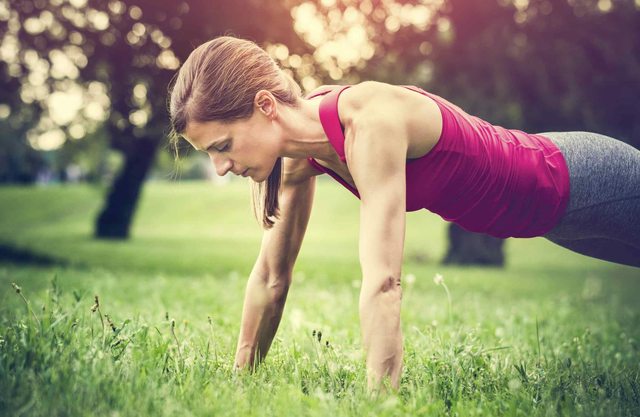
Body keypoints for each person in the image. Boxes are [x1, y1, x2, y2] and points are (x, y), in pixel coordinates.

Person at [167, 36, 640, 391]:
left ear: (265, 105)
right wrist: (239, 384)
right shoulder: (294, 161)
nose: (222, 167)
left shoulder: (370, 124)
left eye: (223, 147)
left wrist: (380, 401)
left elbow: (383, 283)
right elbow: (271, 278)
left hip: (581, 180)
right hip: (553, 223)